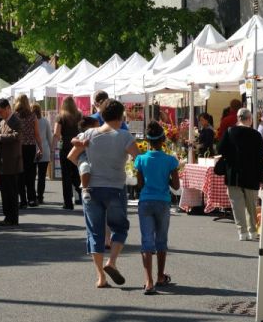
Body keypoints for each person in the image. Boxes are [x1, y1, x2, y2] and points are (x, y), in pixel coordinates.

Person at [68, 99, 138, 289]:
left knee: (95, 232)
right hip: (115, 188)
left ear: (102, 115)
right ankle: (112, 262)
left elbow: (71, 156)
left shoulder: (89, 133)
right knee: (120, 228)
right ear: (121, 116)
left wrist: (85, 165)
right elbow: (138, 160)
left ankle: (101, 277)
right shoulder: (125, 136)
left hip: (91, 189)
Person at [134, 120, 180, 294]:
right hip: (162, 201)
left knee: (147, 241)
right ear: (163, 140)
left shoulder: (141, 159)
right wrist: (165, 178)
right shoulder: (170, 161)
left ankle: (148, 281)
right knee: (161, 240)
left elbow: (138, 184)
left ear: (147, 141)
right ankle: (161, 276)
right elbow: (176, 186)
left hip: (145, 201)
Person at [217, 107, 263, 241]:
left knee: (237, 204)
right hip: (252, 175)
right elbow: (261, 158)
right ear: (249, 119)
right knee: (251, 204)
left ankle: (242, 232)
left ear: (238, 118)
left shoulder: (229, 131)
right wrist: (262, 178)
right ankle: (253, 231)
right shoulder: (256, 135)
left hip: (233, 174)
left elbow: (220, 148)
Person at [0, 98, 22, 227]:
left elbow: (17, 136)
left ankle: (13, 218)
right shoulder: (2, 122)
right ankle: (8, 216)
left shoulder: (16, 120)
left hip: (12, 162)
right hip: (2, 161)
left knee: (12, 192)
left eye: (1, 111)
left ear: (8, 108)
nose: (0, 114)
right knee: (5, 192)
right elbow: (0, 136)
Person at [54, 96, 82, 209]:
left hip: (65, 146)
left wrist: (55, 143)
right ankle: (82, 194)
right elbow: (82, 129)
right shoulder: (79, 115)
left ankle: (68, 202)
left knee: (66, 175)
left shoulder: (60, 116)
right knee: (76, 173)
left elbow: (56, 133)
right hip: (77, 146)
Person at [15, 94, 42, 208]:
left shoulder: (15, 116)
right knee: (30, 174)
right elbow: (36, 134)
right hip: (30, 147)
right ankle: (32, 198)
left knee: (20, 173)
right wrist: (41, 147)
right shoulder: (33, 116)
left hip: (18, 147)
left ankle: (23, 200)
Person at [72, 115, 100, 202]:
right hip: (84, 157)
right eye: (97, 126)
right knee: (85, 167)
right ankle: (84, 189)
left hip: (93, 157)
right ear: (89, 128)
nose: (99, 128)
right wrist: (81, 142)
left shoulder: (98, 134)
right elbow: (73, 140)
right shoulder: (82, 135)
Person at [32, 102, 53, 204]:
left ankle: (31, 196)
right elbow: (50, 137)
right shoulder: (45, 121)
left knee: (31, 175)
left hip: (32, 150)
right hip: (44, 150)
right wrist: (52, 150)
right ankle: (40, 196)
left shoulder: (30, 121)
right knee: (42, 176)